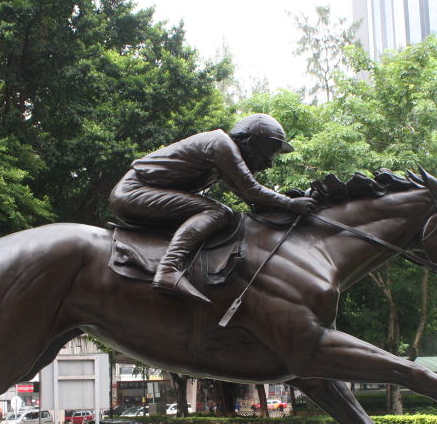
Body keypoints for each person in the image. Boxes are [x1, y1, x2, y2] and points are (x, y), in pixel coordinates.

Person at [109, 114, 316, 303]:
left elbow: (252, 201)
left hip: (139, 193)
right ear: (252, 142)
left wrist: (291, 201)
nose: (269, 164)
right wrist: (289, 203)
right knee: (219, 212)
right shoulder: (221, 144)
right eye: (269, 153)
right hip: (133, 193)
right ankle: (168, 269)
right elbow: (251, 190)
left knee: (228, 217)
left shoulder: (222, 155)